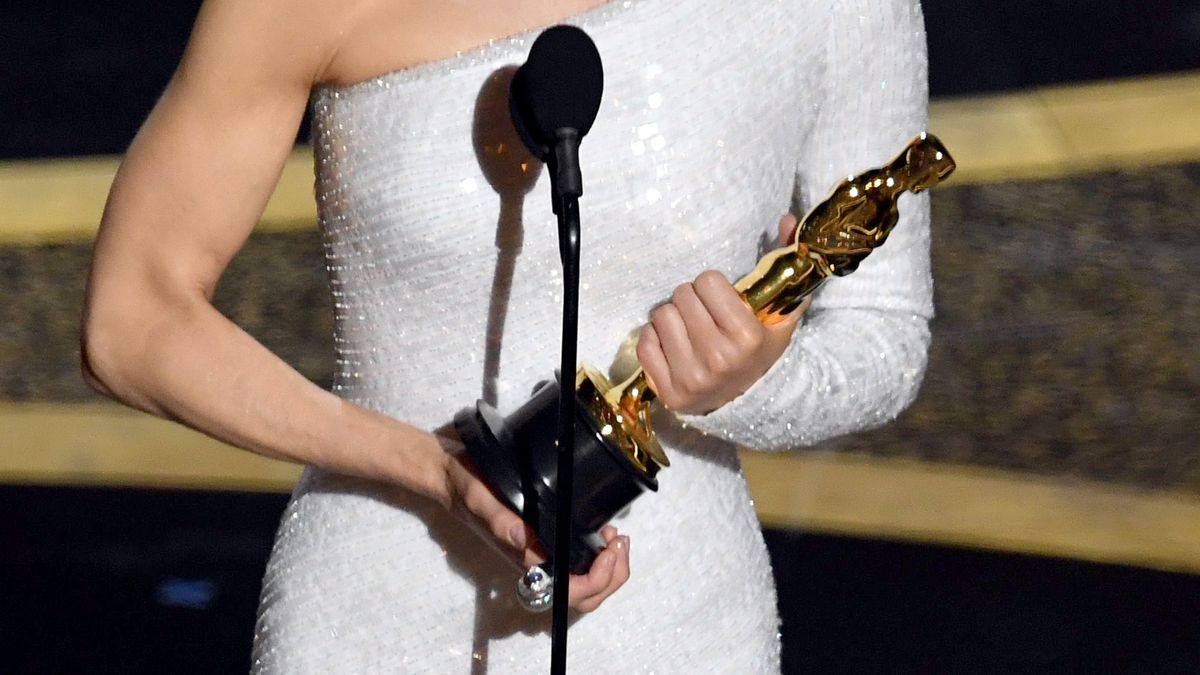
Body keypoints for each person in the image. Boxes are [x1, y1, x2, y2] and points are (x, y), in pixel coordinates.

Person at [82, 0, 935, 671]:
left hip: (677, 631)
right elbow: (133, 318)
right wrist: (426, 462)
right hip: (374, 621)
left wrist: (751, 382)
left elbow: (885, 340)